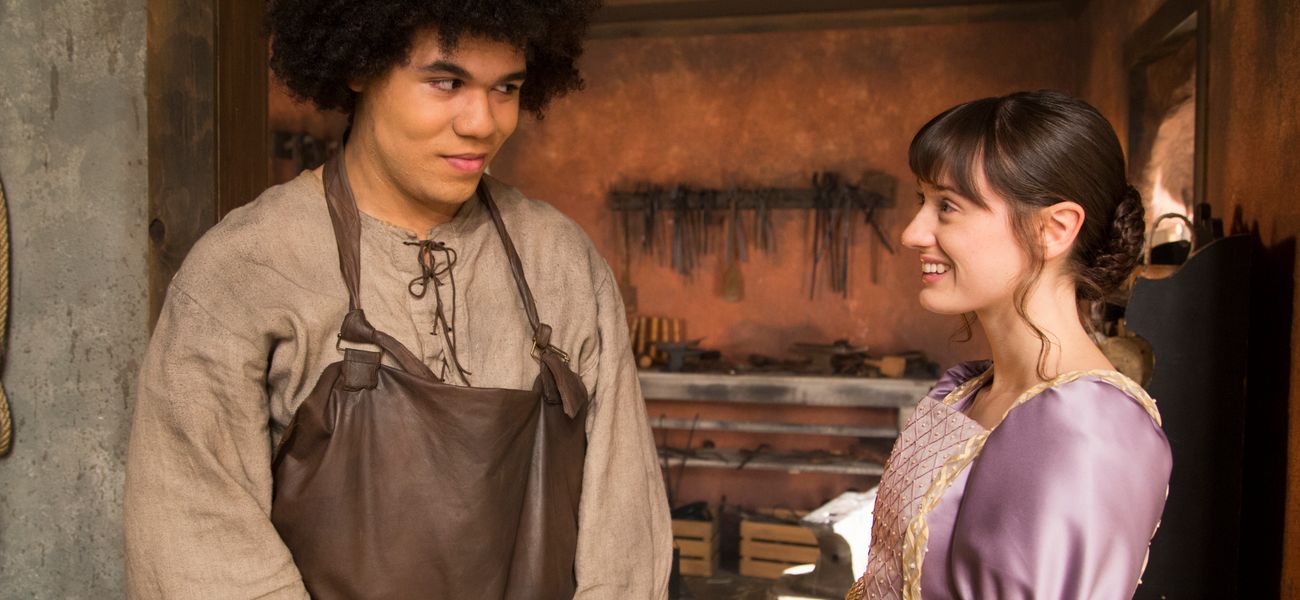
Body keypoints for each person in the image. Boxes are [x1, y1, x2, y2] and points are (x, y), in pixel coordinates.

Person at [124, 1, 672, 598]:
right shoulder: (245, 268)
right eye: (446, 82)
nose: (483, 123)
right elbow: (198, 538)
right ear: (361, 66)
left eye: (506, 88)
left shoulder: (562, 262)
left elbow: (623, 530)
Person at [847, 90, 1172, 599]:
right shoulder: (970, 390)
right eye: (921, 201)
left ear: (1053, 229)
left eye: (947, 206)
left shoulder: (1087, 427)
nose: (912, 233)